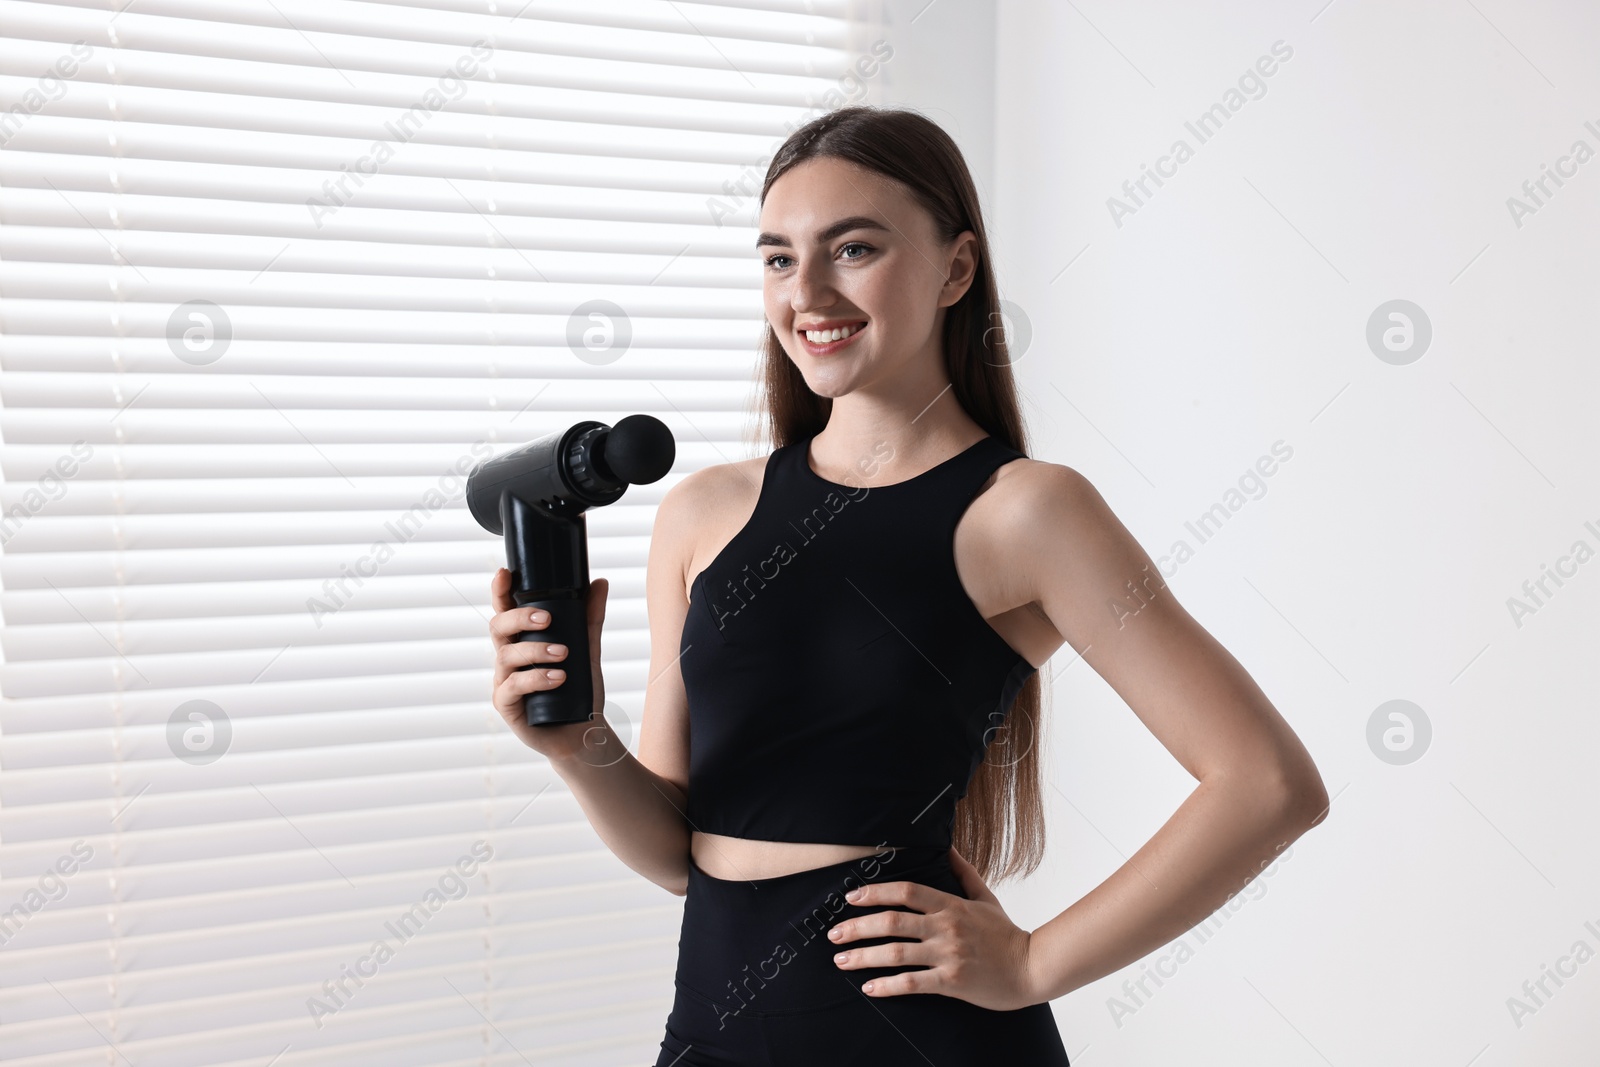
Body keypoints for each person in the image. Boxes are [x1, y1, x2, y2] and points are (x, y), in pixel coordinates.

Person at [487, 105, 1329, 1066]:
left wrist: (1030, 962)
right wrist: (575, 739)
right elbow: (677, 852)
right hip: (711, 1031)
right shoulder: (702, 513)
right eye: (777, 257)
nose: (806, 290)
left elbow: (1268, 785)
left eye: (852, 249)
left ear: (957, 269)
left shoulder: (1027, 514)